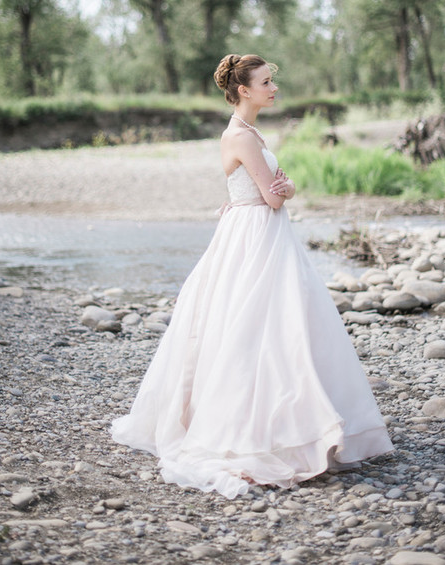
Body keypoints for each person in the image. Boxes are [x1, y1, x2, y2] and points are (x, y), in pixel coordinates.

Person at [111, 54, 393, 498]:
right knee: (254, 327)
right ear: (244, 90)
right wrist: (284, 189)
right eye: (266, 82)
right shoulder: (239, 136)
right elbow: (275, 196)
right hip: (256, 235)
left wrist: (286, 188)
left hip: (259, 231)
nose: (273, 88)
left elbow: (282, 189)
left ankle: (298, 421)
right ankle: (261, 431)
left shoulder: (251, 131)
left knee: (279, 326)